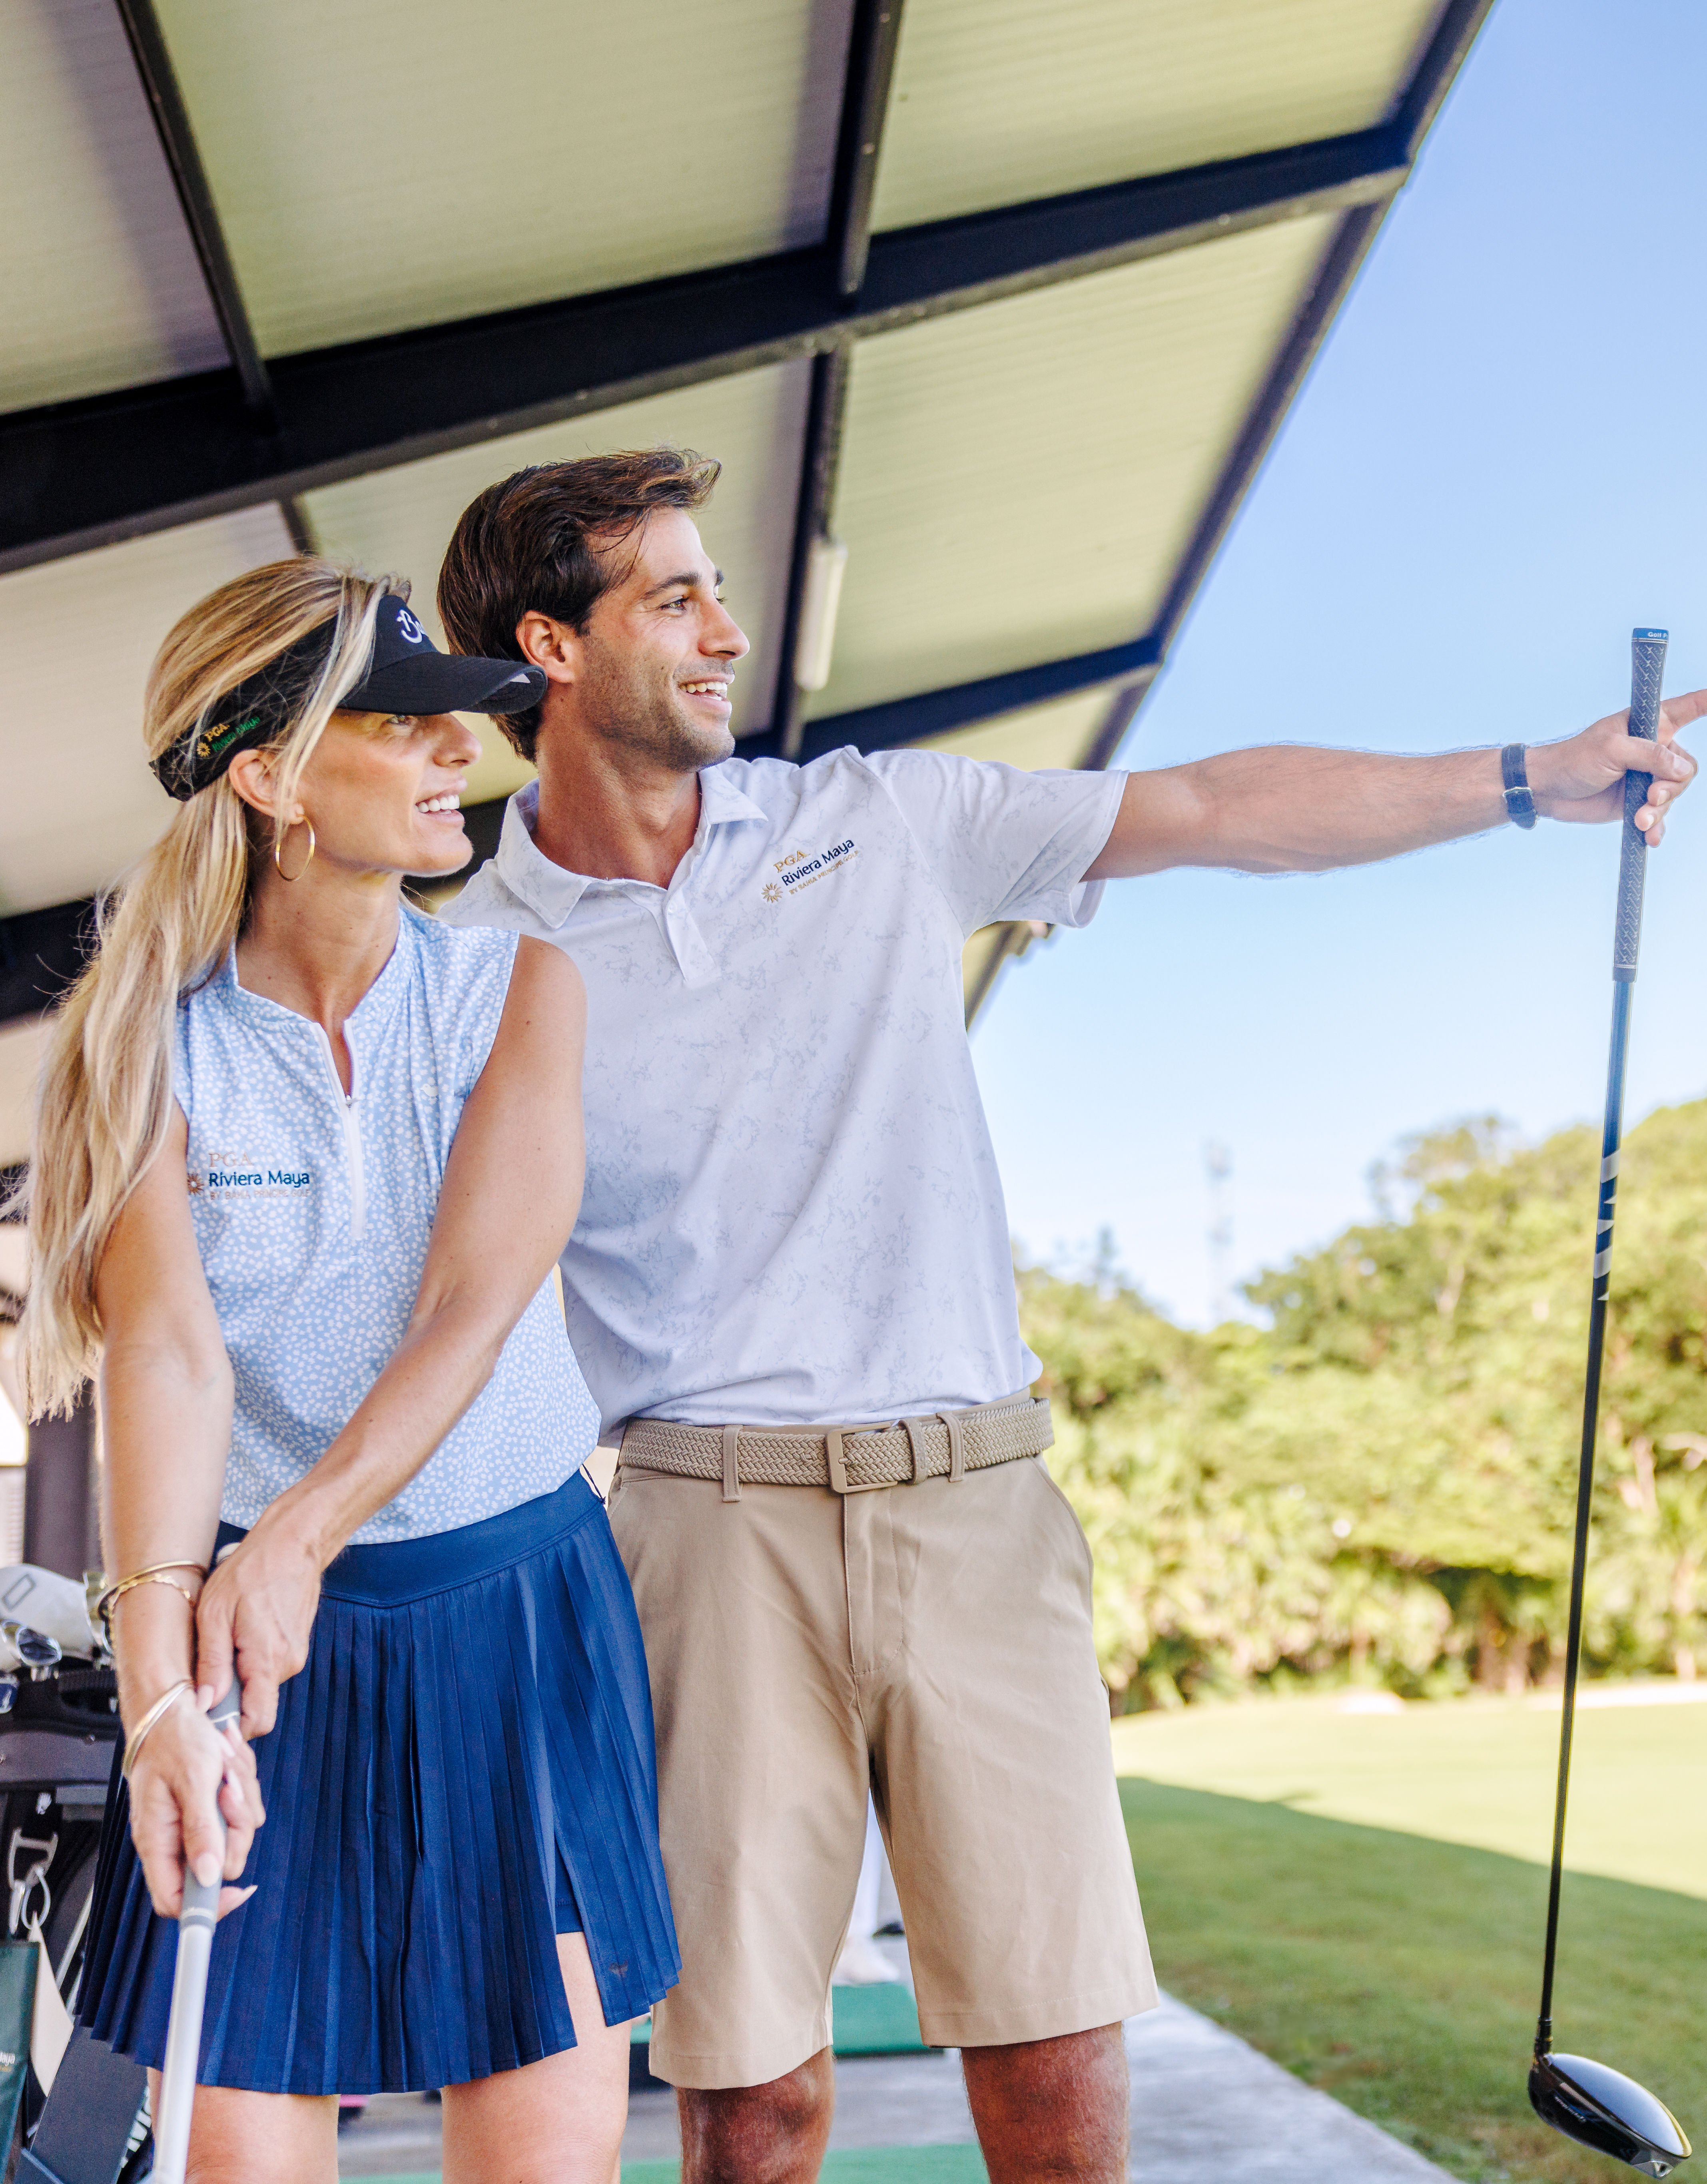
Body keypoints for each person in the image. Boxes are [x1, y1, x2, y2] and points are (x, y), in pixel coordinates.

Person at [414, 447, 1699, 2184]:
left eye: (719, 588)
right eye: (676, 597)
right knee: (751, 2098)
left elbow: (1215, 809)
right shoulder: (474, 950)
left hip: (975, 1505)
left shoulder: (871, 821)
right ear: (551, 649)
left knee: (1055, 2080)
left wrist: (1533, 780)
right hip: (700, 1531)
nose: (727, 629)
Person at [19, 559, 678, 2184]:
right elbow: (168, 1358)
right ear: (272, 777)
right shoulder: (145, 1043)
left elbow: (477, 1299)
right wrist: (164, 1699)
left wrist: (302, 1535)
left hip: (518, 1614)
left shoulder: (519, 987)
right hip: (257, 1661)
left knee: (543, 2157)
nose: (467, 750)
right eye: (409, 724)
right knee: (243, 2161)